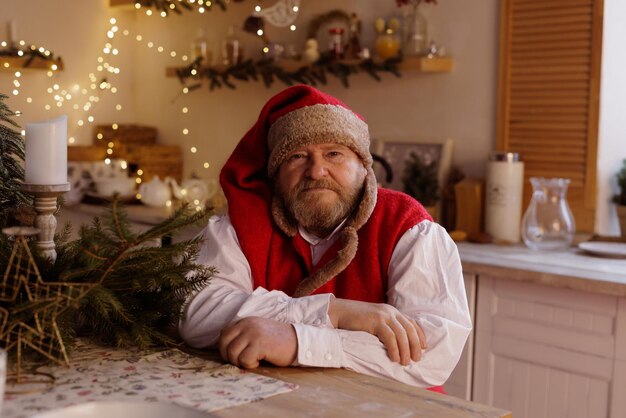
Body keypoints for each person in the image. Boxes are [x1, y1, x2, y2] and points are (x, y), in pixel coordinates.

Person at [179, 85, 471, 391]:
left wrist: (296, 342)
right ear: (276, 175)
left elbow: (431, 356)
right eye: (297, 156)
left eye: (334, 154)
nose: (316, 171)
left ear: (363, 166)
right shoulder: (241, 225)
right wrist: (336, 312)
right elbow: (198, 314)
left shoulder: (408, 227)